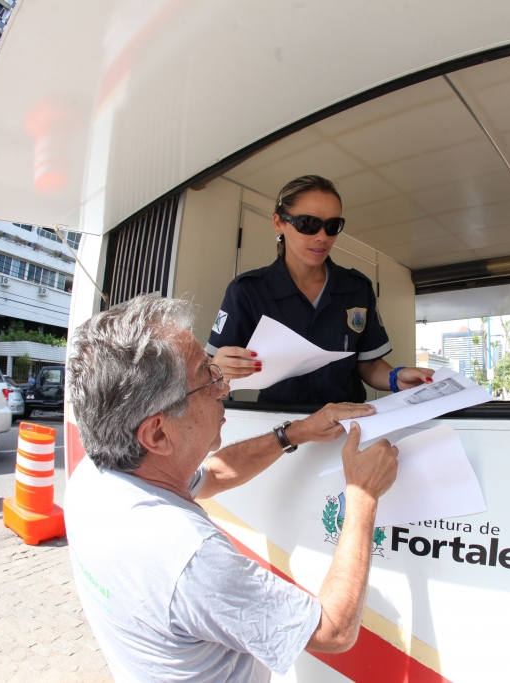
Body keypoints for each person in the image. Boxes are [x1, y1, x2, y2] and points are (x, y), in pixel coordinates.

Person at [64, 295, 399, 682]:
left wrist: (295, 432)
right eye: (206, 379)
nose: (222, 388)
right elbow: (333, 631)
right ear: (157, 432)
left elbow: (216, 474)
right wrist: (361, 493)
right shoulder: (190, 557)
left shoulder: (95, 476)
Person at [207, 175, 434, 403]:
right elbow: (213, 370)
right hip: (282, 427)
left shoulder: (356, 288)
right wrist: (217, 369)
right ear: (279, 223)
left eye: (332, 226)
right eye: (308, 224)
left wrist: (397, 377)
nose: (322, 237)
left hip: (346, 423)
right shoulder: (247, 291)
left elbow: (369, 364)